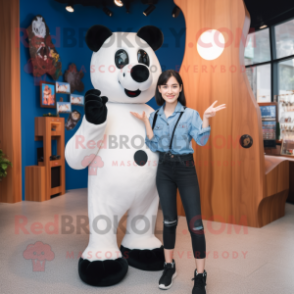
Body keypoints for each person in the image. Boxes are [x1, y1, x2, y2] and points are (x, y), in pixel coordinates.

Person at [130, 69, 226, 294]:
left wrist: (208, 117)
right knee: (169, 221)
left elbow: (201, 141)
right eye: (165, 87)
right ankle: (168, 266)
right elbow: (153, 146)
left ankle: (200, 275)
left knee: (196, 225)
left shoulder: (191, 114)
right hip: (164, 169)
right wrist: (146, 122)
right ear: (160, 90)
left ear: (180, 88)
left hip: (185, 169)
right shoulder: (154, 115)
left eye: (174, 86)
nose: (169, 91)